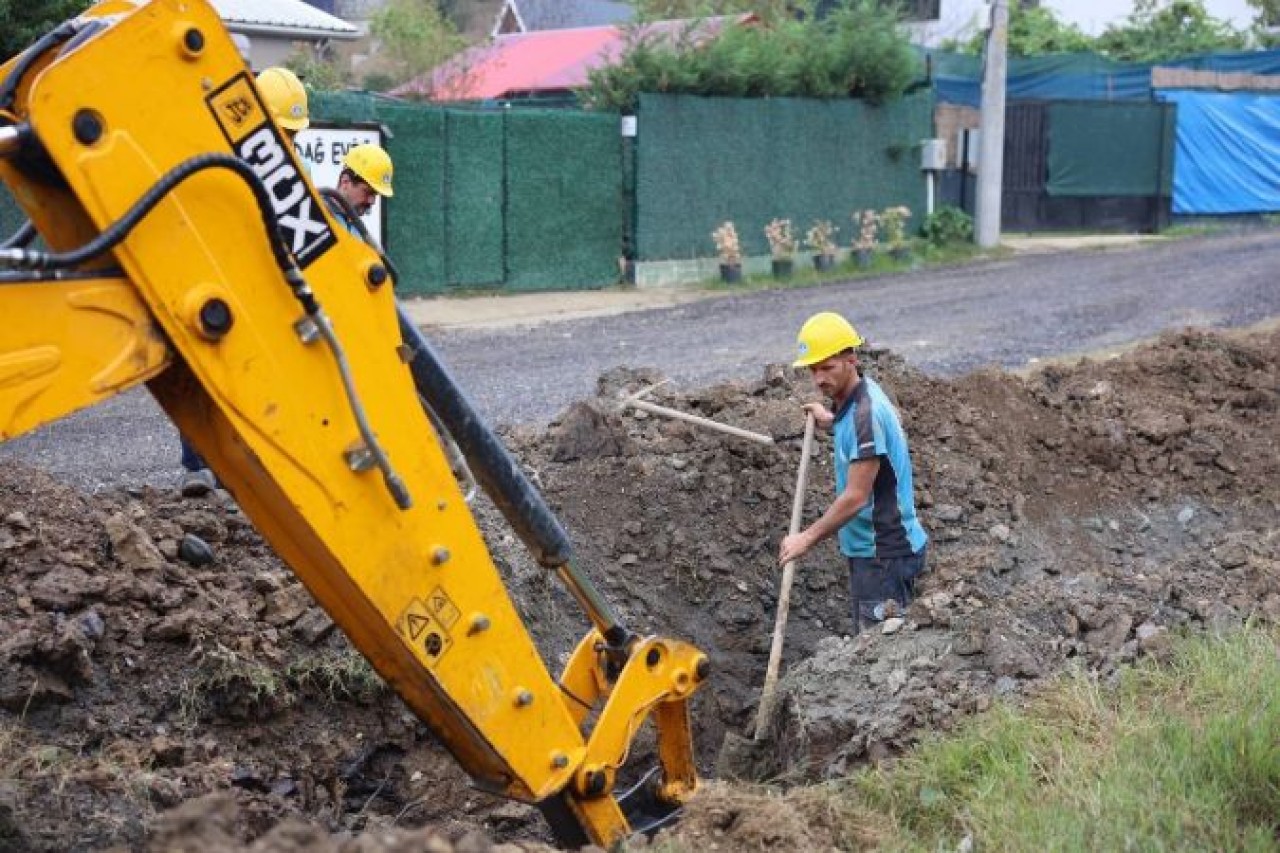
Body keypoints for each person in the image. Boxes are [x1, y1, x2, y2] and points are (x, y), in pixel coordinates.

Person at [179, 67, 312, 497]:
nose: (288, 143)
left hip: (263, 287)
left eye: (293, 134)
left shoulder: (293, 170)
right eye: (282, 132)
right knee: (206, 374)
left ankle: (246, 471)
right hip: (212, 280)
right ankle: (198, 467)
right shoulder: (213, 157)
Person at [778, 311, 928, 631]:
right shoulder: (857, 399)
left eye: (827, 368)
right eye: (813, 370)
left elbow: (856, 497)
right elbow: (858, 432)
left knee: (878, 652)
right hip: (877, 551)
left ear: (851, 359)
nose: (819, 379)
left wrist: (806, 537)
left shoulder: (865, 416)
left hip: (883, 556)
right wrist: (830, 420)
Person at [325, 142, 394, 236]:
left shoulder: (359, 233)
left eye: (375, 195)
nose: (372, 201)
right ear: (345, 182)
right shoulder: (317, 214)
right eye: (367, 192)